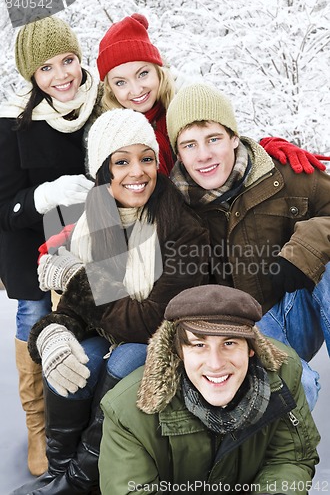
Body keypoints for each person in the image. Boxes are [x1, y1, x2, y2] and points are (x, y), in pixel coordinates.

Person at [11, 108, 209, 495]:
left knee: (126, 358)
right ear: (103, 170)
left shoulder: (183, 227)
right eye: (122, 161)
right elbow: (78, 308)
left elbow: (152, 319)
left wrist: (77, 280)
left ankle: (79, 482)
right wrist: (54, 330)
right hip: (114, 327)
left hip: (163, 340)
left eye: (146, 158)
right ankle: (58, 471)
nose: (137, 172)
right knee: (71, 354)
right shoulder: (97, 216)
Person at [165, 82, 330, 410]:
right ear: (179, 154)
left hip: (293, 308)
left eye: (214, 139)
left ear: (234, 138)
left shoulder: (280, 174)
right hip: (242, 335)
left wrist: (304, 250)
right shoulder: (173, 209)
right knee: (299, 386)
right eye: (190, 145)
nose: (205, 155)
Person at [99, 284, 320, 494]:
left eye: (229, 343)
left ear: (251, 348)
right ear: (179, 352)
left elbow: (290, 458)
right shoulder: (127, 411)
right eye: (199, 345)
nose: (215, 364)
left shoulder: (283, 375)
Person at [0, 16, 98, 476]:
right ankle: (38, 428)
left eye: (68, 60)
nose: (62, 75)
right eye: (46, 68)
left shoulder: (100, 107)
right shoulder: (12, 123)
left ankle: (84, 420)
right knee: (36, 316)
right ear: (31, 76)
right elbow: (5, 207)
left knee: (93, 324)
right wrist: (48, 193)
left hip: (89, 240)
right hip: (28, 243)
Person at [95, 12, 327, 178]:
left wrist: (264, 152)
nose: (136, 90)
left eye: (143, 73)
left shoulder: (191, 106)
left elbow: (225, 146)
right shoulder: (110, 135)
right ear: (111, 90)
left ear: (159, 72)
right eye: (121, 82)